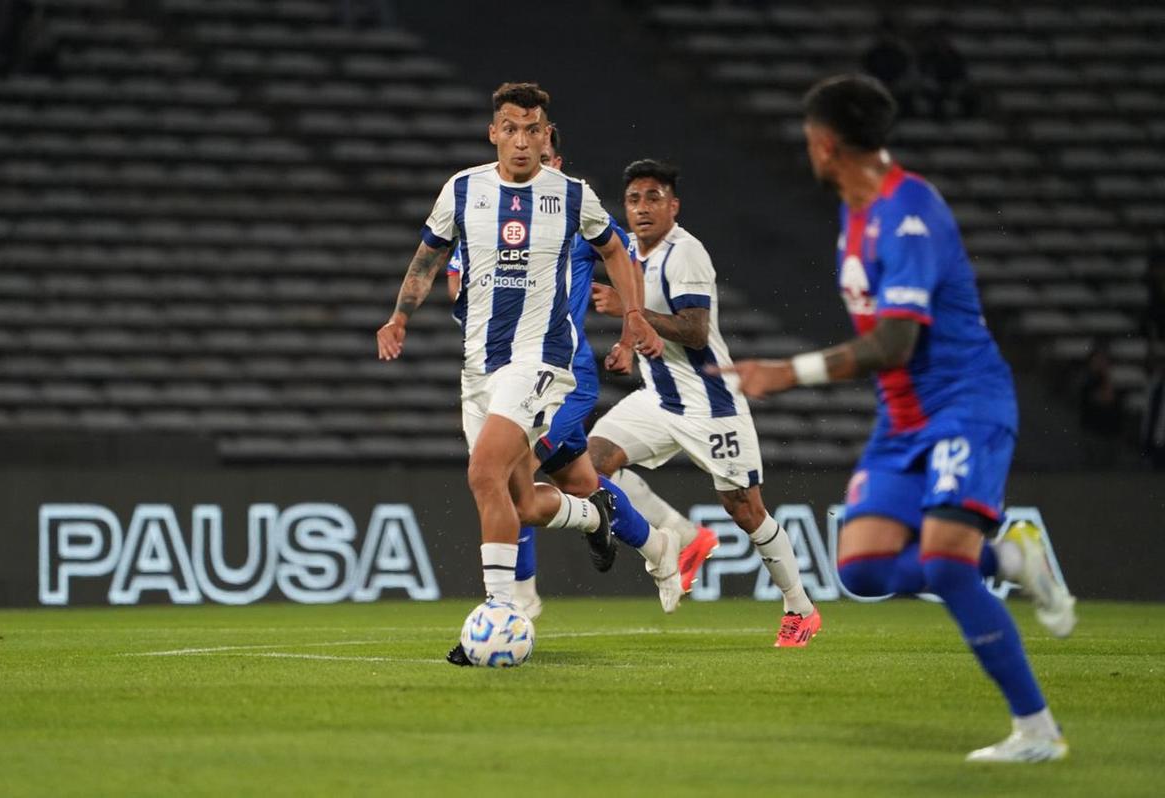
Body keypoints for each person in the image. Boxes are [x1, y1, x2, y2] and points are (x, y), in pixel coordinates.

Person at [723, 74, 1076, 759]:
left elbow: (895, 343)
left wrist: (786, 372)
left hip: (964, 404)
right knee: (861, 568)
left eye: (808, 138)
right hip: (902, 420)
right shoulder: (855, 211)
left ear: (825, 145)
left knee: (946, 567)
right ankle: (1009, 556)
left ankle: (1038, 731)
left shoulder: (906, 211)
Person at [376, 82, 665, 665]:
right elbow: (429, 255)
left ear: (546, 136)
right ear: (494, 133)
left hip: (539, 362)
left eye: (533, 129)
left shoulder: (571, 195)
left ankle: (498, 612)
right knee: (520, 500)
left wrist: (632, 316)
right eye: (511, 128)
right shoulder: (462, 190)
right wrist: (399, 316)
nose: (522, 140)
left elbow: (616, 250)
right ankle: (592, 512)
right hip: (478, 368)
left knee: (483, 471)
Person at [445, 130, 718, 619]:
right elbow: (454, 279)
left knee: (509, 473)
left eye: (545, 158)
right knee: (580, 480)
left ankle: (520, 602)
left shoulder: (578, 220)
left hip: (560, 374)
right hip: (508, 372)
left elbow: (627, 260)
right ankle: (661, 547)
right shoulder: (495, 219)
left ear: (558, 163)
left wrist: (629, 336)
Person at [587, 159, 821, 647]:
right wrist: (628, 345)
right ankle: (685, 538)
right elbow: (644, 324)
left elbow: (693, 330)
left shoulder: (685, 253)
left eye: (654, 197)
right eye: (634, 199)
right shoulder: (629, 251)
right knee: (591, 463)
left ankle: (800, 608)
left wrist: (629, 312)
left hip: (710, 402)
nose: (643, 207)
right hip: (660, 397)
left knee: (744, 508)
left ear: (673, 205)